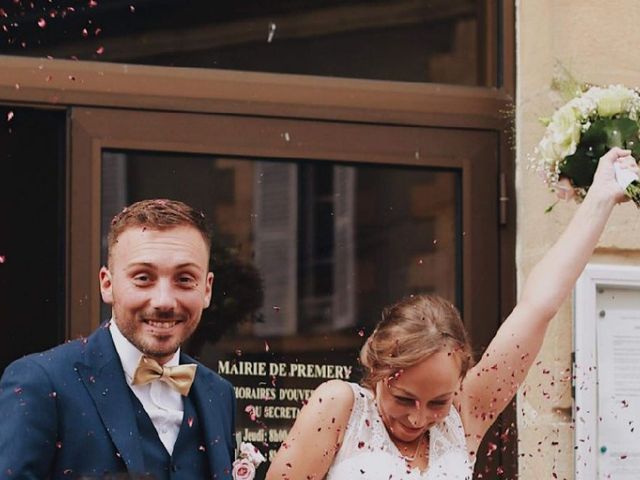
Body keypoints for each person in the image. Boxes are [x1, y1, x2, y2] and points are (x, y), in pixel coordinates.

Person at [266, 148, 638, 480]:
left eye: (438, 402)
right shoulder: (340, 406)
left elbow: (538, 308)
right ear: (378, 369)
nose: (418, 418)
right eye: (404, 398)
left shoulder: (466, 414)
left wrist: (600, 199)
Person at [0, 199, 236, 479]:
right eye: (143, 278)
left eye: (184, 279)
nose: (164, 301)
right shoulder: (39, 381)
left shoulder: (219, 393)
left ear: (207, 289)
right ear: (107, 284)